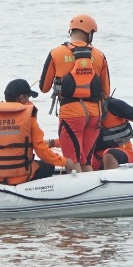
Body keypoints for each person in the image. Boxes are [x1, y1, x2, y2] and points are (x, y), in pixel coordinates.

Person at [39, 13, 112, 168]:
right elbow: (106, 91)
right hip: (94, 115)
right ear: (89, 32)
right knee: (86, 161)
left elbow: (44, 88)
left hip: (71, 114)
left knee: (72, 161)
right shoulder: (99, 55)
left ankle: (77, 188)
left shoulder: (56, 53)